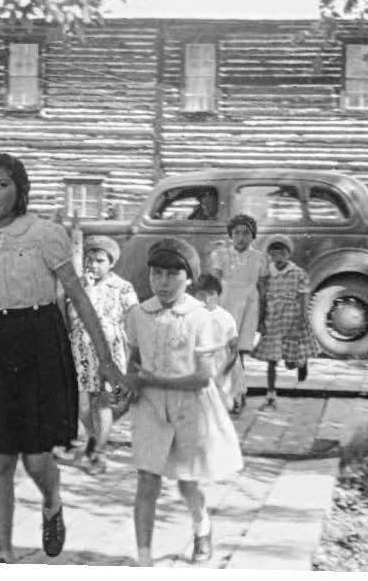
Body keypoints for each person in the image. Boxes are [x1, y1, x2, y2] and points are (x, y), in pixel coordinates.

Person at [0, 152, 129, 563]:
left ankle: (52, 502)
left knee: (36, 459)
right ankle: (2, 555)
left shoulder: (44, 233)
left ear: (20, 189)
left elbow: (79, 299)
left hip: (40, 343)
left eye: (1, 184)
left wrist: (106, 361)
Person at [125, 238, 244, 567]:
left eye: (172, 275)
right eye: (156, 274)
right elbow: (134, 358)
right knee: (147, 480)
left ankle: (202, 525)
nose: (162, 282)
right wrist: (128, 385)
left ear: (188, 278)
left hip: (190, 407)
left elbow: (203, 377)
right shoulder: (138, 313)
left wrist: (150, 379)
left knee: (187, 483)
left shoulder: (200, 318)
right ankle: (144, 560)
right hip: (150, 408)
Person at [64, 234, 139, 474]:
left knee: (103, 403)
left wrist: (131, 352)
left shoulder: (123, 287)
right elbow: (72, 318)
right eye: (90, 260)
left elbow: (134, 318)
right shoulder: (79, 285)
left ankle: (98, 453)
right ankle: (95, 439)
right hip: (81, 349)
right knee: (83, 405)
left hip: (109, 350)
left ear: (111, 263)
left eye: (99, 261)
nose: (93, 265)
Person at [209, 214, 269, 412]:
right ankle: (227, 393)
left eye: (246, 233)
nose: (241, 237)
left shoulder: (259, 258)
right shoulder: (221, 255)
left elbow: (263, 287)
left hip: (249, 304)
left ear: (253, 236)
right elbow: (214, 284)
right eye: (237, 233)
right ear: (230, 236)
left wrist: (263, 316)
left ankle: (238, 394)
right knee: (224, 349)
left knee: (239, 351)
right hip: (226, 302)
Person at [251, 235, 316, 408]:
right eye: (273, 253)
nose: (277, 257)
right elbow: (262, 299)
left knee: (289, 362)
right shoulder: (266, 275)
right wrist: (261, 321)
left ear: (288, 254)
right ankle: (271, 394)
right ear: (269, 256)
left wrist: (302, 320)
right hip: (273, 319)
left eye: (281, 253)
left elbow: (303, 298)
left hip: (292, 318)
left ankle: (300, 363)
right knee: (272, 359)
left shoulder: (298, 273)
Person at [189, 273, 240, 414]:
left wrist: (222, 374)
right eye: (201, 294)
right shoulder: (189, 316)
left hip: (219, 370)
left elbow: (234, 351)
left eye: (211, 294)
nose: (206, 299)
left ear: (218, 295)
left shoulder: (226, 317)